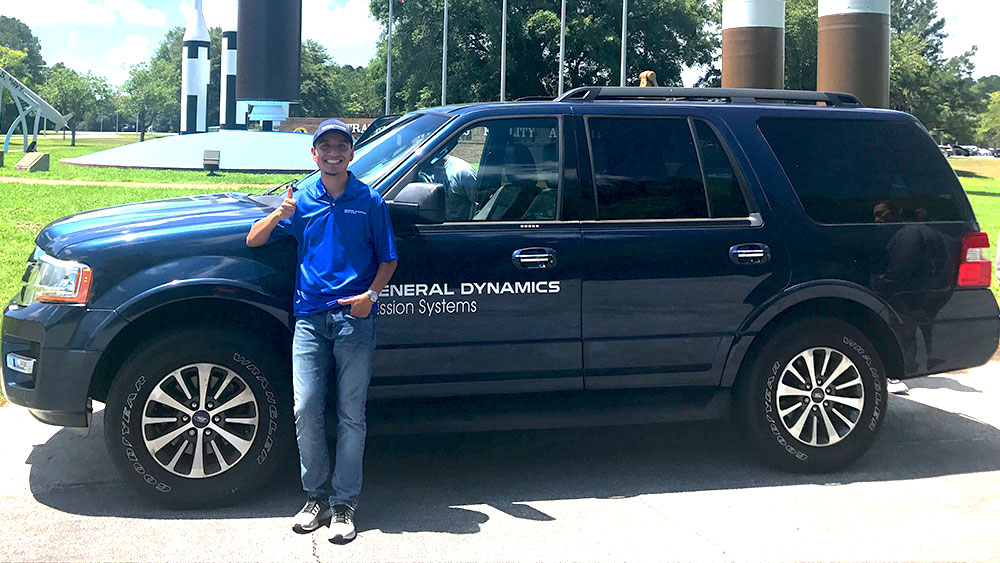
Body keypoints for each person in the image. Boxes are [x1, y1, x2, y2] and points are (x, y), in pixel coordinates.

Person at [246, 118, 398, 544]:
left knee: (352, 415)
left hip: (355, 319)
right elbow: (254, 241)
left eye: (341, 146)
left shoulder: (369, 201)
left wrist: (371, 295)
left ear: (351, 154)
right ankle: (315, 496)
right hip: (310, 319)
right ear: (313, 154)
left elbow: (388, 259)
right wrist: (280, 212)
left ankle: (345, 504)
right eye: (325, 147)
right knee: (306, 408)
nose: (333, 153)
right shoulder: (303, 199)